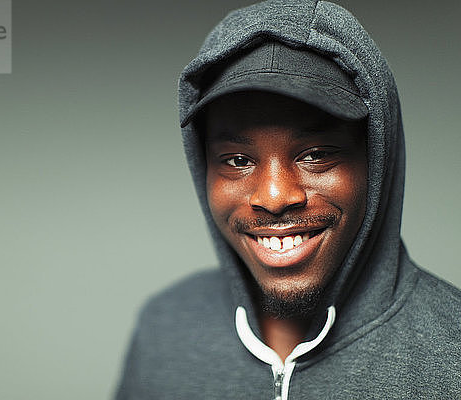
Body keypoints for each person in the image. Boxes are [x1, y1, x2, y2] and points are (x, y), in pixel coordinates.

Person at [115, 1, 461, 398]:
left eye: (316, 154)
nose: (275, 197)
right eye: (237, 160)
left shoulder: (452, 356)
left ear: (376, 160)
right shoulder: (164, 333)